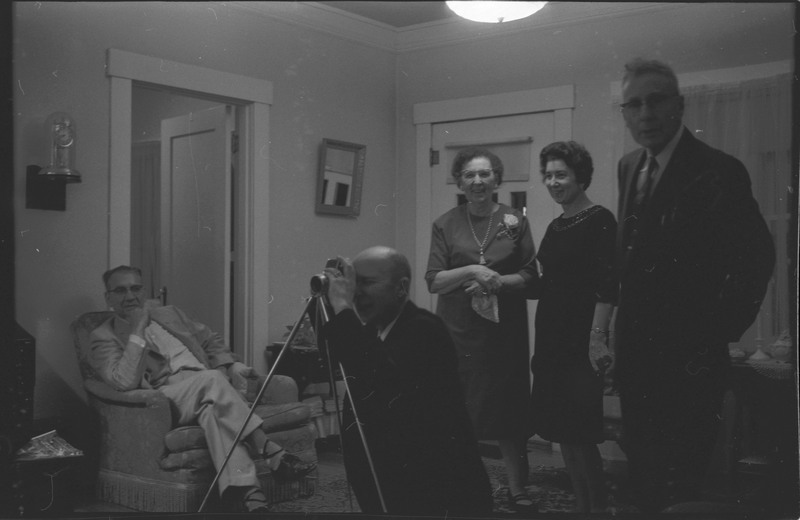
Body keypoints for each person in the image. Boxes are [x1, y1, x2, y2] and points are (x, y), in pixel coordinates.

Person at [614, 58, 775, 511]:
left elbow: (756, 258)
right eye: (634, 104)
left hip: (690, 359)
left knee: (682, 481)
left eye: (656, 100)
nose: (645, 113)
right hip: (636, 356)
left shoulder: (719, 169)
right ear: (625, 113)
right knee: (643, 472)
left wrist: (716, 331)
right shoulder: (629, 166)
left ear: (679, 106)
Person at [89, 265, 316, 513]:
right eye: (121, 291)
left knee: (213, 412)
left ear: (144, 290)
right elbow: (123, 381)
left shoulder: (170, 314)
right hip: (168, 397)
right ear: (108, 298)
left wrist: (231, 364)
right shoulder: (104, 335)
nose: (130, 296)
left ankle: (252, 496)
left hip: (211, 389)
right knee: (211, 381)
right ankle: (268, 449)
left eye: (135, 288)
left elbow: (210, 340)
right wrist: (137, 329)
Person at [322, 246, 493, 516]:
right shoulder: (372, 330)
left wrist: (343, 308)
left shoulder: (425, 329)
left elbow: (380, 378)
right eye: (355, 284)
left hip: (438, 492)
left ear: (401, 288)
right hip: (389, 481)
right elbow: (333, 355)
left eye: (367, 283)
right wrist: (328, 304)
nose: (357, 293)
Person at [425, 148, 540, 511]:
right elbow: (434, 280)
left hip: (503, 334)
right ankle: (460, 482)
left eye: (485, 175)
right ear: (459, 181)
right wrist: (473, 272)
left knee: (508, 410)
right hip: (458, 333)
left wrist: (496, 282)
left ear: (496, 180)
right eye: (470, 175)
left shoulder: (514, 221)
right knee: (458, 409)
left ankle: (517, 487)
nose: (477, 182)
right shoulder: (445, 223)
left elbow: (531, 277)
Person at [528, 141, 617, 513]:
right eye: (547, 175)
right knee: (563, 429)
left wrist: (597, 338)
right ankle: (582, 507)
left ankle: (596, 510)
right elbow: (541, 283)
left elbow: (609, 284)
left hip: (580, 339)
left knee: (580, 432)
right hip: (551, 336)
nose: (552, 182)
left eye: (560, 174)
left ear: (580, 176)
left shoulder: (600, 219)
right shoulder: (555, 225)